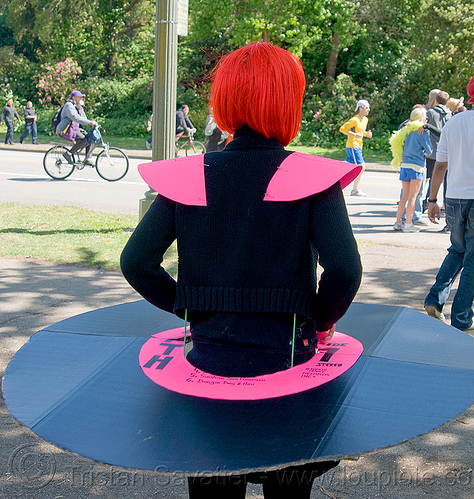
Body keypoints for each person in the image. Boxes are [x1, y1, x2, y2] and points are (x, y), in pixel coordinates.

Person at [121, 42, 362, 499]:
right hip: (286, 362)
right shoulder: (309, 178)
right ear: (289, 101)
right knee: (287, 484)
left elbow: (136, 263)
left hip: (206, 363)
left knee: (213, 484)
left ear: (225, 99)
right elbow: (345, 271)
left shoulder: (192, 175)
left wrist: (186, 304)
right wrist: (319, 319)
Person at [424, 69, 474, 331]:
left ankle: (435, 299)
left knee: (457, 250)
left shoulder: (452, 124)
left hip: (454, 199)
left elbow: (440, 166)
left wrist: (432, 199)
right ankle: (462, 318)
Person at [391, 107, 433, 232]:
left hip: (405, 165)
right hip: (417, 166)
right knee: (413, 197)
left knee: (404, 196)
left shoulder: (405, 130)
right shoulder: (422, 132)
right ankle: (408, 224)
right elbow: (429, 151)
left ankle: (398, 222)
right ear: (421, 118)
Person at [422, 91, 452, 216]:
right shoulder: (450, 115)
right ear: (447, 102)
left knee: (429, 178)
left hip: (432, 151)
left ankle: (426, 201)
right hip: (447, 151)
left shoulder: (430, 113)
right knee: (445, 180)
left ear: (435, 100)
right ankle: (445, 205)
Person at [339, 99, 372, 196]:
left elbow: (361, 132)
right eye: (367, 108)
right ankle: (355, 190)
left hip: (359, 146)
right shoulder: (354, 120)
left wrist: (367, 134)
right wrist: (354, 134)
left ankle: (333, 170)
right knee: (361, 167)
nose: (368, 110)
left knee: (348, 165)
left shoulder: (365, 120)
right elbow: (342, 129)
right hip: (353, 146)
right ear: (360, 108)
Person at [56, 90, 98, 166]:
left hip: (74, 128)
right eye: (80, 97)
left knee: (90, 137)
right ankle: (68, 154)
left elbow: (83, 118)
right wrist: (90, 122)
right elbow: (76, 118)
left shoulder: (76, 106)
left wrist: (81, 109)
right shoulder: (69, 106)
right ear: (73, 97)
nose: (81, 99)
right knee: (84, 139)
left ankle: (88, 159)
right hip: (66, 129)